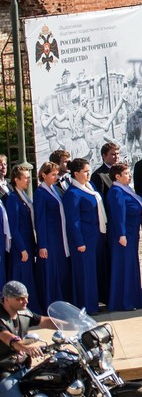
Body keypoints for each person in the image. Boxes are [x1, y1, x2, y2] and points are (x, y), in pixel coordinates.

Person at [62, 158, 106, 314]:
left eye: (89, 170)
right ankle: (87, 306)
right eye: (85, 171)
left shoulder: (89, 186)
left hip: (95, 236)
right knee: (85, 273)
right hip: (84, 240)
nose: (89, 174)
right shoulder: (73, 193)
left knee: (95, 272)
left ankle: (96, 302)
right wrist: (79, 241)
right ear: (76, 174)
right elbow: (73, 221)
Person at [0, 281, 57, 388]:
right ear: (6, 299)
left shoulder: (23, 313)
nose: (25, 301)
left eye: (26, 297)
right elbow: (9, 338)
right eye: (20, 298)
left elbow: (44, 321)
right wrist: (27, 348)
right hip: (4, 373)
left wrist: (72, 323)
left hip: (22, 368)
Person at [105, 163, 142, 311]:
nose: (129, 176)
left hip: (132, 233)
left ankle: (133, 299)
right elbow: (118, 215)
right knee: (124, 267)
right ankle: (124, 301)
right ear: (117, 176)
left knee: (131, 266)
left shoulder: (126, 188)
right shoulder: (116, 191)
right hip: (123, 236)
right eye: (126, 173)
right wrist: (121, 234)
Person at [34, 161, 70, 310]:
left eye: (56, 174)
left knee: (60, 271)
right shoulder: (40, 193)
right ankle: (51, 304)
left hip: (60, 238)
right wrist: (42, 244)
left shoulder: (54, 189)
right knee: (51, 272)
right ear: (44, 175)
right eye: (53, 174)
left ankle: (61, 302)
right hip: (49, 239)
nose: (56, 177)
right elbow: (40, 220)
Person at [5, 165, 37, 303]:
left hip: (28, 243)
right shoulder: (13, 198)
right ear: (16, 180)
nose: (28, 180)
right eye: (26, 178)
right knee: (22, 278)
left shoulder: (24, 195)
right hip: (21, 247)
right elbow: (14, 227)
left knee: (28, 278)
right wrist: (22, 248)